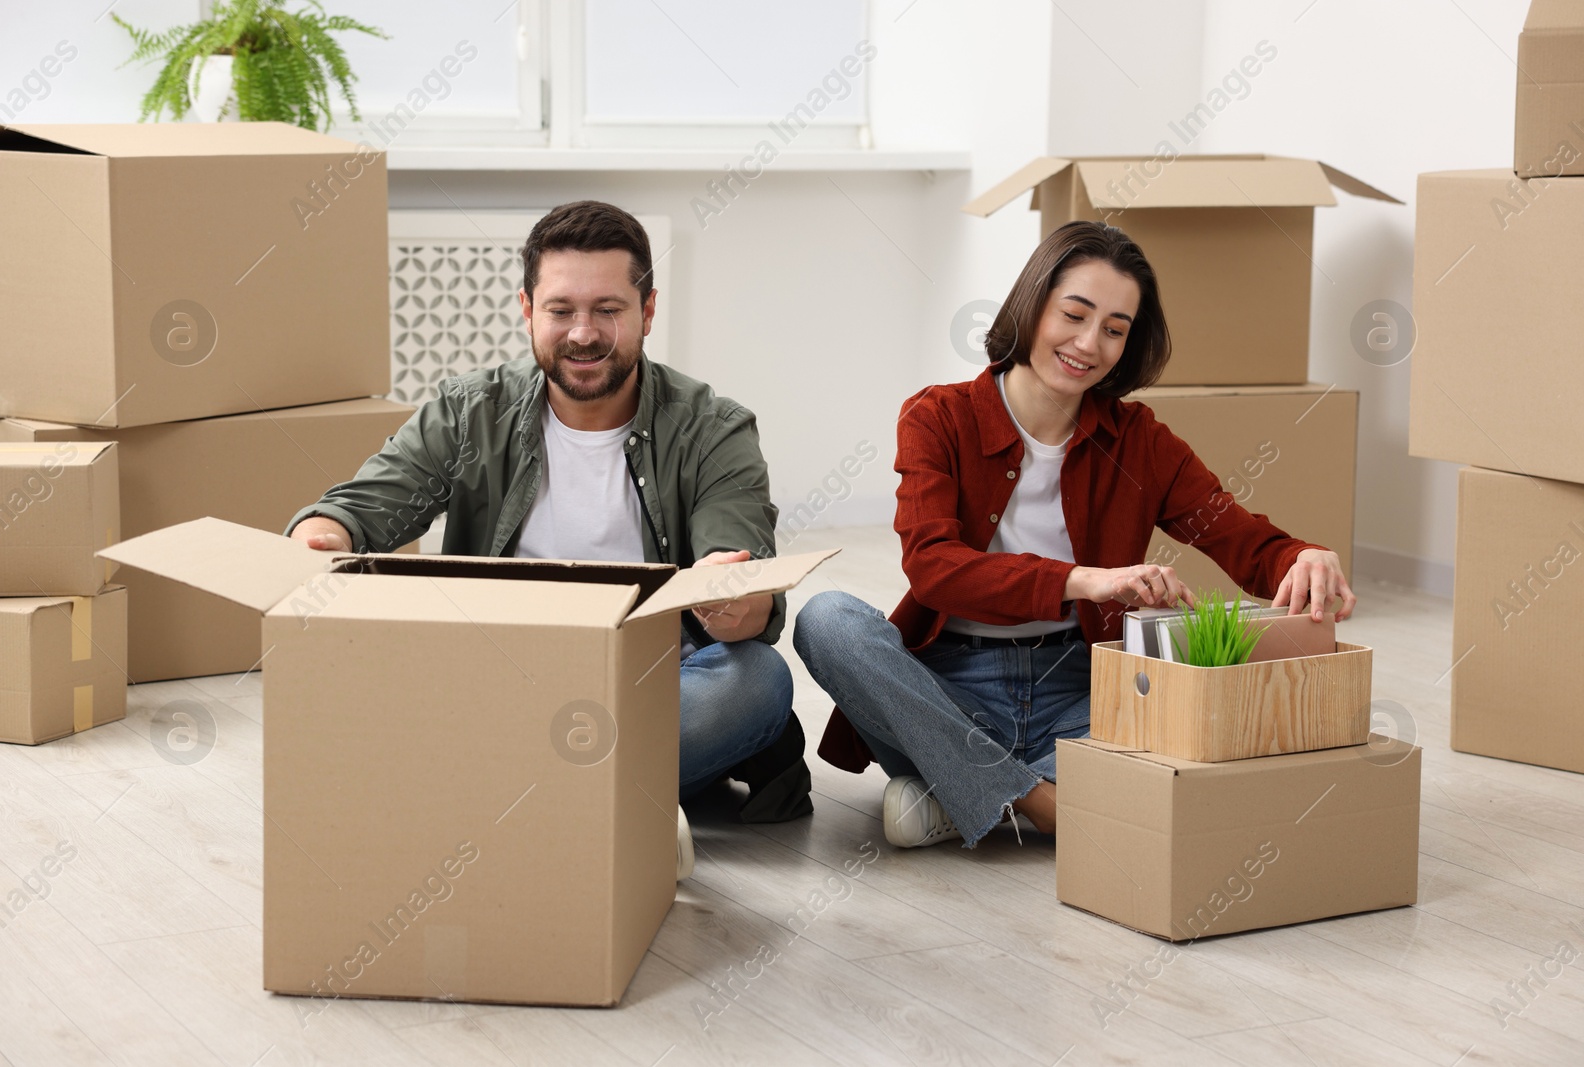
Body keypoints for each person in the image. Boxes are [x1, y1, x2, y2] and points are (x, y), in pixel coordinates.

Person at [286, 200, 813, 878]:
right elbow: (358, 510)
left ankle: (508, 796)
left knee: (755, 679)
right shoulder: (468, 410)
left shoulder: (713, 427)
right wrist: (322, 534)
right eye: (561, 310)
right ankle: (611, 802)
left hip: (657, 680)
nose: (584, 333)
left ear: (648, 312)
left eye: (609, 310)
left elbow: (741, 567)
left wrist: (739, 599)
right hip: (500, 675)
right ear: (527, 308)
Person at [792, 220, 1357, 850]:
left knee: (1203, 742)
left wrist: (1302, 555)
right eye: (1075, 315)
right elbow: (934, 567)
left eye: (1115, 330)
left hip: (1079, 695)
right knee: (827, 619)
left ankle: (966, 793)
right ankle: (1042, 803)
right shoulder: (938, 417)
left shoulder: (1140, 441)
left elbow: (1236, 534)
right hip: (949, 694)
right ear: (1033, 306)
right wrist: (1085, 580)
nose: (1089, 343)